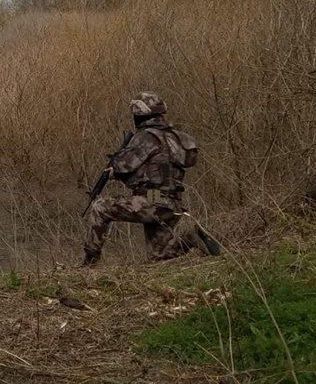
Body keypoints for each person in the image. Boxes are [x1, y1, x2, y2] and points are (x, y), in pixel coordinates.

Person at [81, 92, 221, 267]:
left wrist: (114, 169)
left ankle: (89, 263)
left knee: (100, 207)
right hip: (172, 203)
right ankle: (191, 237)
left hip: (152, 200)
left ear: (139, 114)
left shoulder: (146, 136)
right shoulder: (175, 137)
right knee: (160, 256)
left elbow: (123, 166)